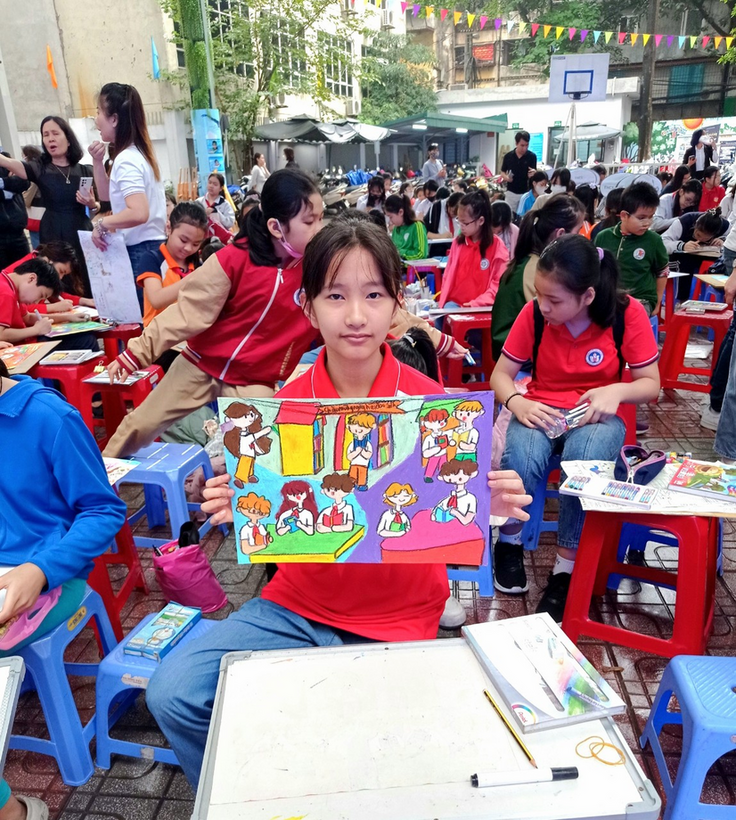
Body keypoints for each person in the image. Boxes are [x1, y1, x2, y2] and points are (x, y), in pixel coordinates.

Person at [144, 216, 533, 789]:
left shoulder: (433, 408)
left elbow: (447, 516)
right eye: (335, 296)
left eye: (373, 295)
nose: (355, 315)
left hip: (401, 615)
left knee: (378, 750)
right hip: (296, 608)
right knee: (173, 692)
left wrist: (485, 503)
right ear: (307, 307)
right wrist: (239, 503)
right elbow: (274, 518)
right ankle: (246, 794)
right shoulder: (283, 410)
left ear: (396, 305)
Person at [491, 234, 660, 619]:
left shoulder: (625, 312)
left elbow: (651, 384)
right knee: (521, 458)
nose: (543, 306)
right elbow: (501, 375)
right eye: (539, 294)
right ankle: (508, 543)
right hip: (541, 407)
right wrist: (517, 402)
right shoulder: (534, 314)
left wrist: (615, 391)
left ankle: (565, 570)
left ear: (587, 296)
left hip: (596, 416)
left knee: (583, 460)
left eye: (554, 300)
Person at [102, 169, 324, 458]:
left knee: (262, 449)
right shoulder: (233, 260)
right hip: (200, 363)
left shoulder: (316, 270)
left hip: (254, 379)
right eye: (309, 221)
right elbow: (186, 313)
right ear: (275, 226)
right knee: (139, 424)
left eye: (321, 218)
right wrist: (135, 354)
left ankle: (238, 483)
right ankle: (100, 477)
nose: (320, 228)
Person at [0, 119, 96, 290]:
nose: (50, 138)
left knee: (85, 276)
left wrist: (92, 204)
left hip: (80, 228)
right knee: (55, 279)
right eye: (45, 135)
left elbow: (101, 204)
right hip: (52, 230)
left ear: (68, 139)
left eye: (55, 133)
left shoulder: (85, 170)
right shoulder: (40, 168)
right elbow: (9, 163)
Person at [89, 83, 167, 281]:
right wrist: (97, 162)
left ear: (114, 119)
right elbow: (108, 196)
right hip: (152, 246)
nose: (96, 120)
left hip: (141, 250)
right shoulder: (137, 153)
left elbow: (138, 212)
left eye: (98, 112)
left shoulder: (127, 159)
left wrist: (102, 224)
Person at [491, 194, 585, 360]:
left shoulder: (534, 262)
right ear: (560, 234)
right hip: (519, 355)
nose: (581, 238)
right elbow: (552, 319)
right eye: (578, 232)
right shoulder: (537, 269)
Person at [595, 182, 670, 316]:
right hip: (610, 298)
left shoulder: (654, 240)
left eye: (651, 217)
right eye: (641, 218)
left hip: (642, 300)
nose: (647, 223)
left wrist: (658, 302)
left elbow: (662, 272)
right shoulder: (603, 237)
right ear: (624, 215)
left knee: (624, 318)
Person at [137, 202, 209, 328]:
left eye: (196, 244)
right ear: (169, 228)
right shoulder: (152, 259)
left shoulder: (196, 264)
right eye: (183, 240)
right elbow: (156, 300)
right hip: (158, 334)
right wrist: (195, 277)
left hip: (189, 332)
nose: (188, 248)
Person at [439, 189, 509, 309]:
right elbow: (447, 277)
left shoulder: (497, 246)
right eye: (459, 221)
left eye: (465, 223)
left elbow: (498, 283)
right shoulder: (458, 243)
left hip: (482, 307)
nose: (461, 227)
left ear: (481, 221)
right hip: (454, 305)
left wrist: (476, 304)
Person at [0, 258, 58, 343]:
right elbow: (1, 334)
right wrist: (36, 330)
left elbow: (28, 318)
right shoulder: (6, 293)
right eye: (40, 295)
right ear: (31, 278)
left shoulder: (11, 286)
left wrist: (68, 317)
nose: (36, 302)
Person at [0, 158, 30, 270]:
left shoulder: (5, 160)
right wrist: (7, 192)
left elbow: (24, 181)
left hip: (17, 231)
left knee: (25, 271)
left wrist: (3, 182)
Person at [661, 208, 728, 256]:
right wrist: (682, 246)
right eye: (698, 235)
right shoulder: (684, 222)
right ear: (695, 225)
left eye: (706, 239)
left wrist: (723, 241)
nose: (699, 240)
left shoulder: (725, 226)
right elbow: (661, 243)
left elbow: (731, 242)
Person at [500, 131, 538, 214]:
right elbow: (502, 172)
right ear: (516, 143)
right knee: (509, 215)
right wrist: (506, 178)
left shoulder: (532, 157)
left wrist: (534, 173)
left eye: (527, 145)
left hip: (526, 192)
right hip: (511, 192)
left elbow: (534, 173)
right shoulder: (508, 156)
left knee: (525, 216)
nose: (524, 148)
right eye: (522, 145)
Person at [385, 193, 428, 260]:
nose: (390, 221)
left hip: (413, 266)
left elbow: (421, 254)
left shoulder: (417, 226)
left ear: (401, 212)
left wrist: (400, 253)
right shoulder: (396, 229)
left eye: (391, 217)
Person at [21, 144, 45, 250]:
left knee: (38, 245)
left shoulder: (31, 170)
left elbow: (27, 198)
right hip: (47, 211)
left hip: (37, 212)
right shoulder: (44, 166)